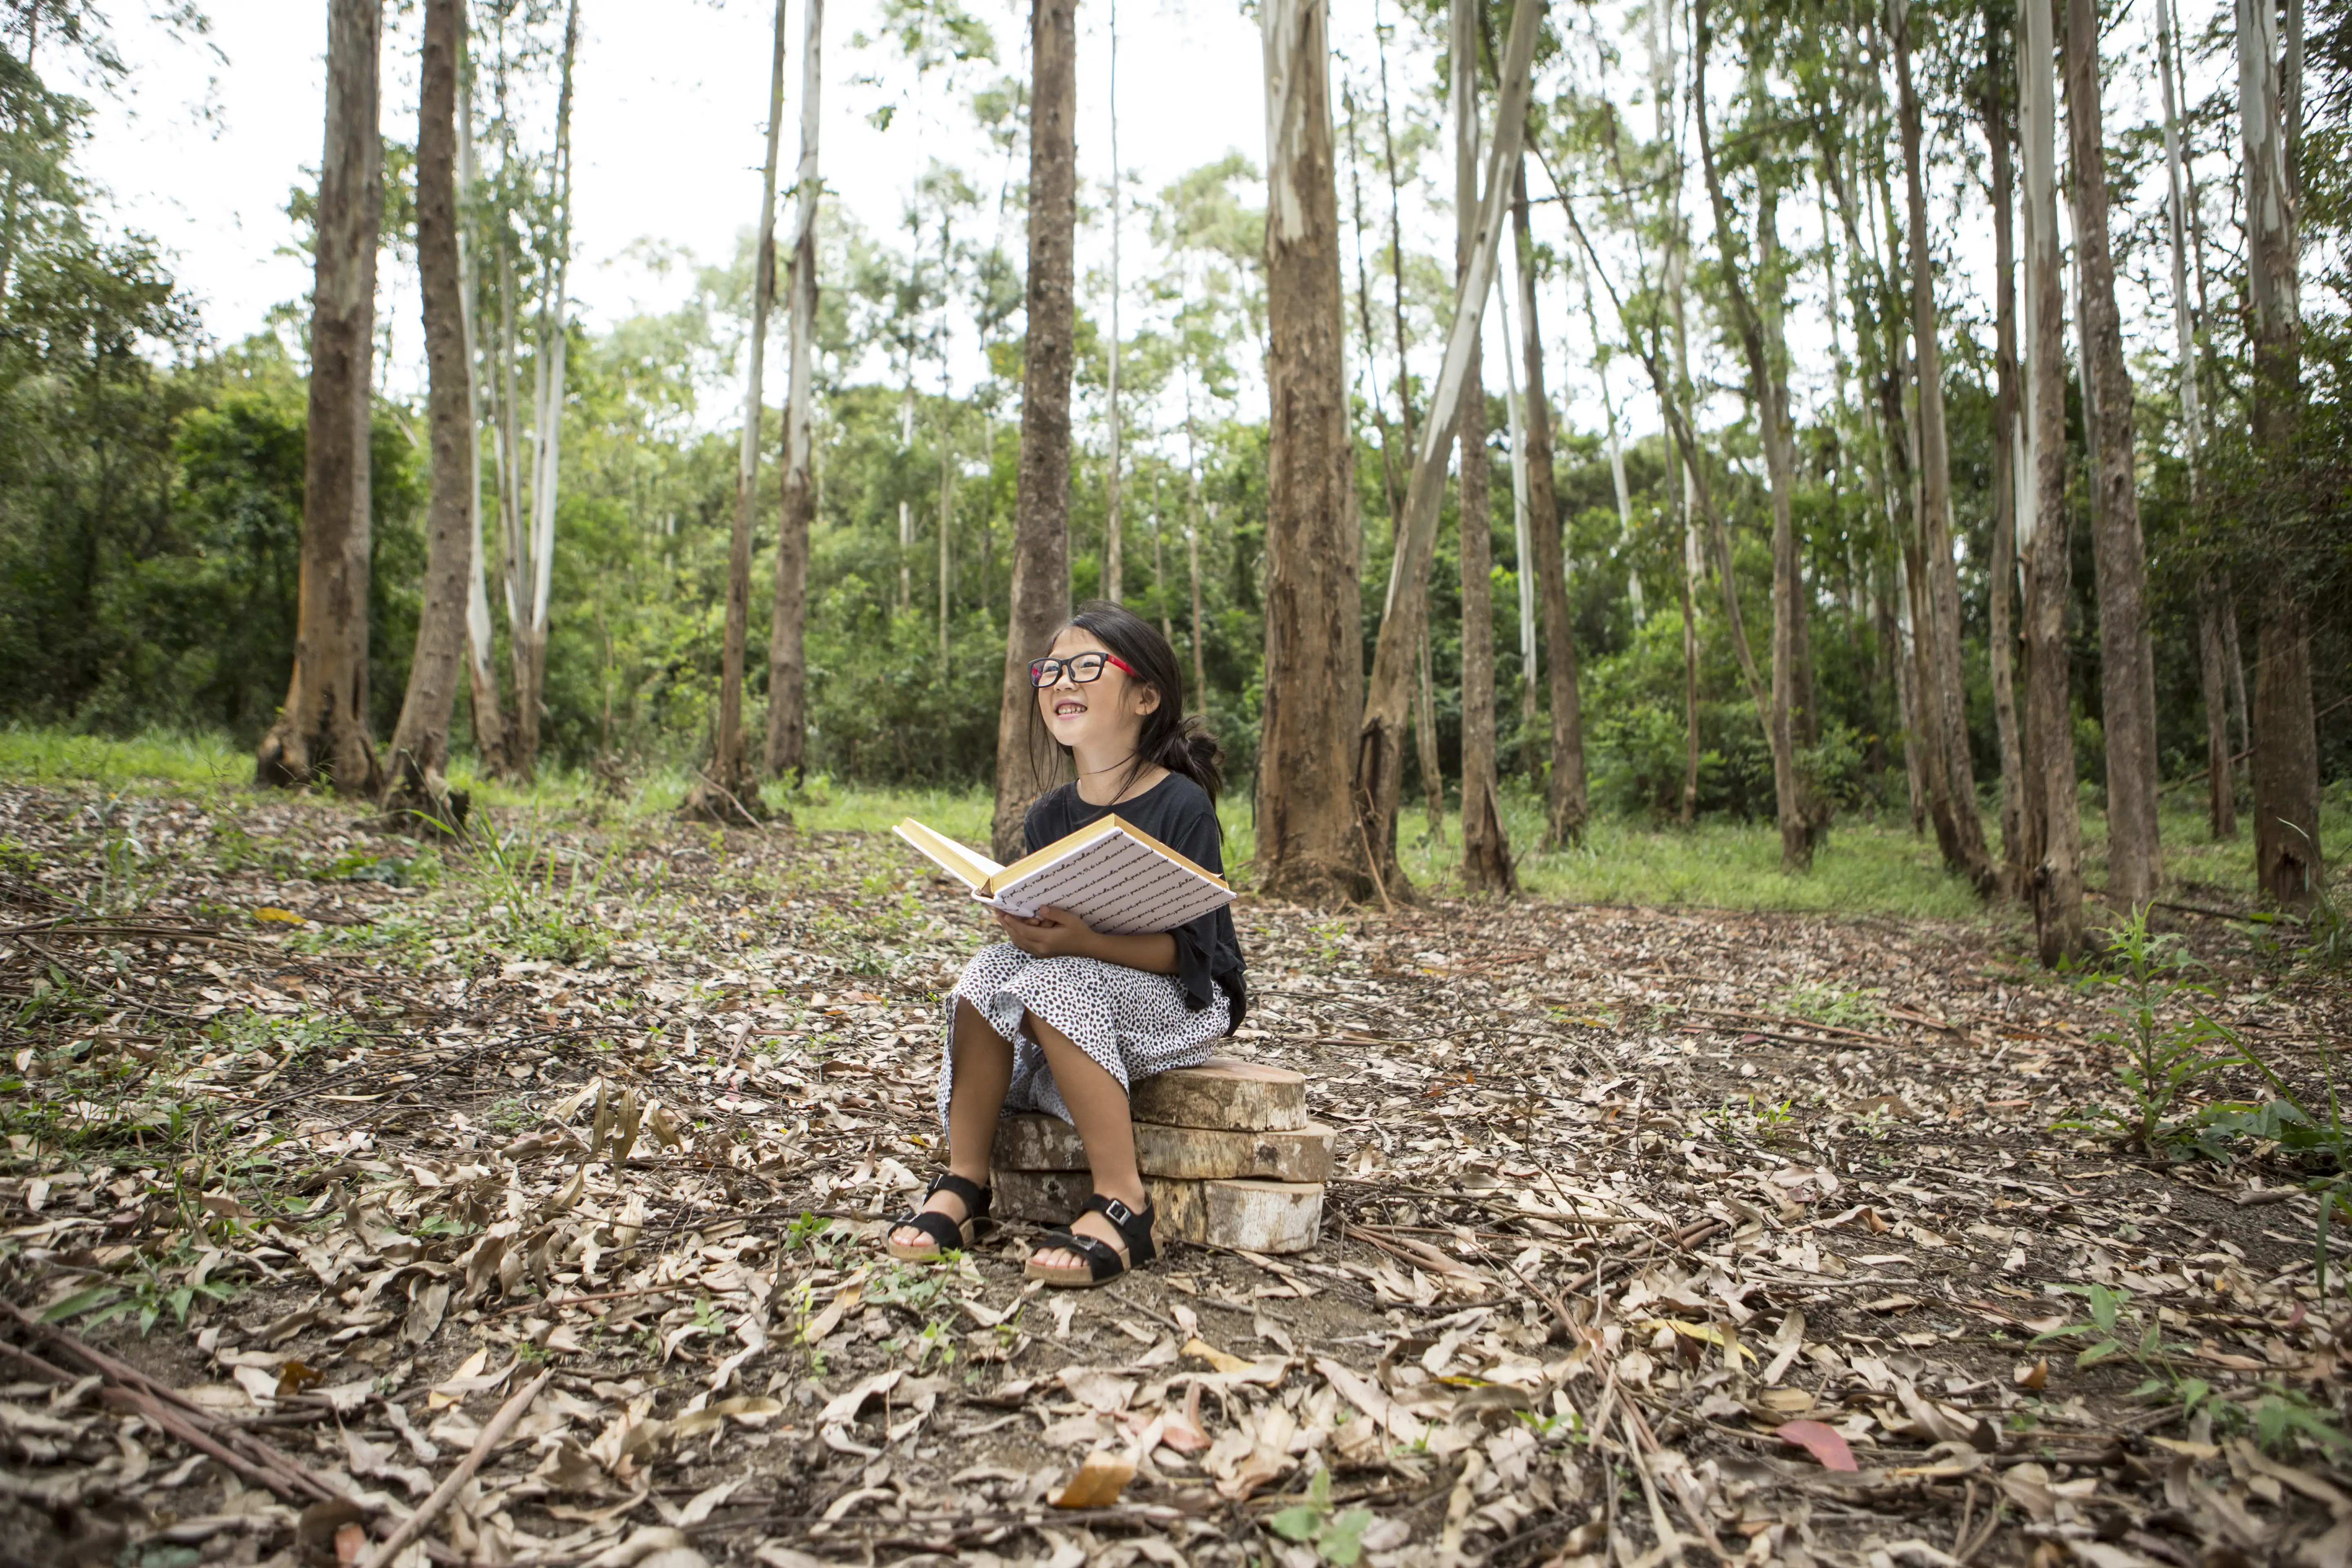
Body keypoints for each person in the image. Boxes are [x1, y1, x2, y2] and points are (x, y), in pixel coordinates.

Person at [885, 601, 1247, 1287]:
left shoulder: (1181, 805)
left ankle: (1124, 1203)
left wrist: (1084, 942)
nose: (1060, 680)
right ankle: (965, 1182)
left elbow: (1196, 958)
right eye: (1050, 669)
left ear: (1145, 697)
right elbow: (1050, 944)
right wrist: (1029, 929)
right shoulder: (1049, 815)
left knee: (1056, 982)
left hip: (1183, 997)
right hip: (1082, 985)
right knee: (987, 971)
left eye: (1086, 666)